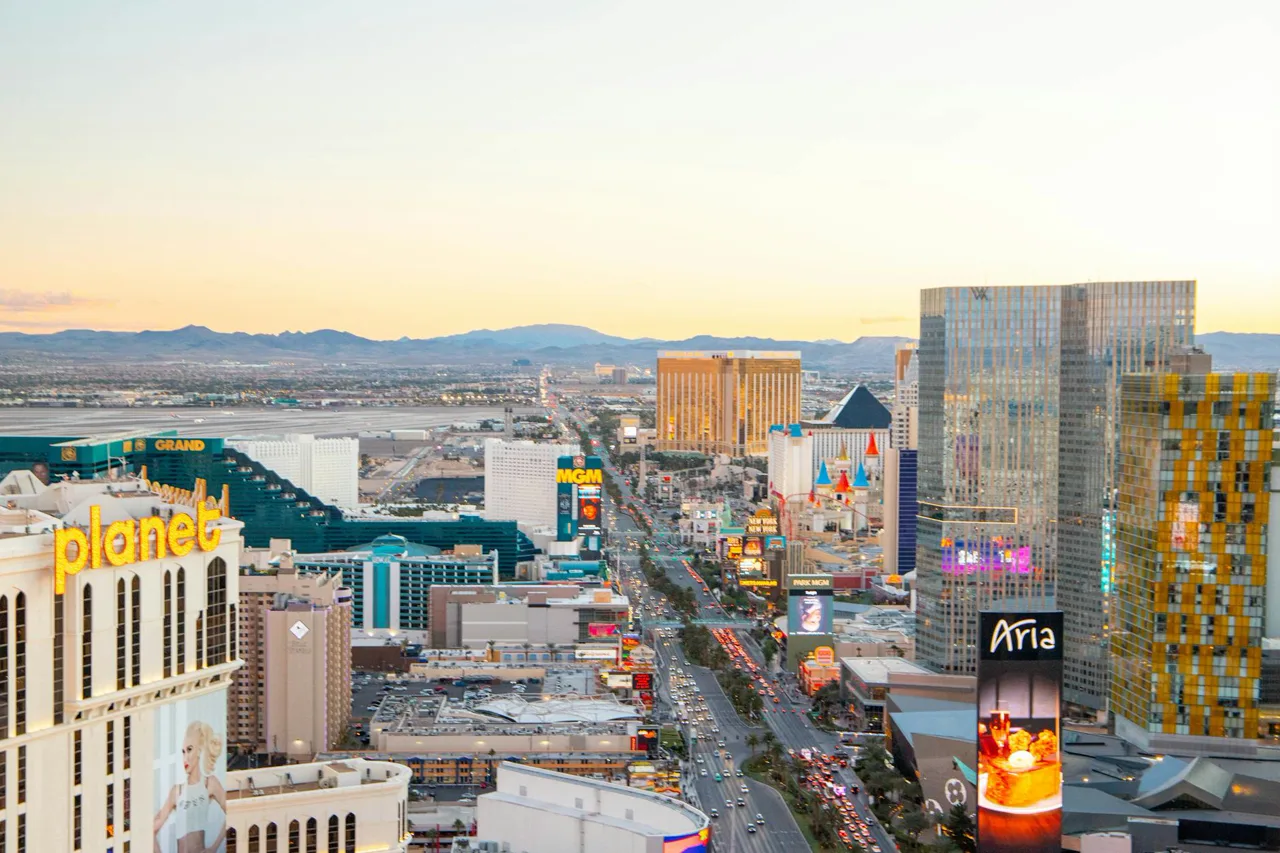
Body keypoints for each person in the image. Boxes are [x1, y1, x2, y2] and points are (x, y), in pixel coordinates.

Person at [154, 720, 228, 853]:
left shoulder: (209, 783)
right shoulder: (177, 791)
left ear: (199, 751)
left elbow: (232, 812)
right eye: (183, 752)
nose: (185, 758)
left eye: (189, 750)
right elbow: (151, 830)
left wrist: (214, 848)